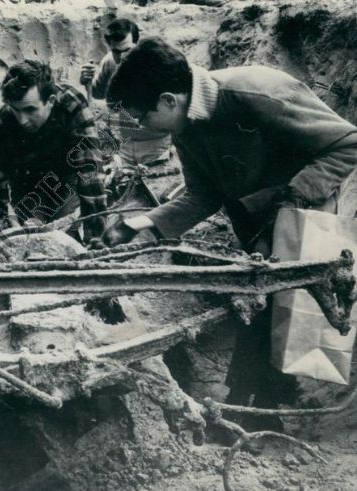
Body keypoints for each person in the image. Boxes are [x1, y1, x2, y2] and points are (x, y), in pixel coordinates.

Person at [101, 37, 357, 426]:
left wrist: (294, 197)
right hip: (256, 218)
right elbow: (203, 194)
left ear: (168, 100)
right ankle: (256, 402)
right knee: (261, 303)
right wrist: (145, 222)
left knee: (274, 306)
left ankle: (257, 410)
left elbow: (348, 143)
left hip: (303, 212)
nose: (139, 126)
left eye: (140, 116)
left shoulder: (255, 92)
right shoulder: (185, 125)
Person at [0, 60, 108, 242]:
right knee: (28, 237)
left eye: (30, 110)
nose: (22, 120)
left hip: (66, 178)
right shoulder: (4, 122)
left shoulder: (72, 106)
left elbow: (90, 173)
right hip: (26, 182)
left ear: (51, 102)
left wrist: (97, 236)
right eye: (16, 110)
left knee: (63, 237)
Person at [79, 18, 172, 167]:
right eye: (116, 51)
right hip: (125, 146)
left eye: (127, 50)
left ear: (137, 44)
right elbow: (98, 93)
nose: (122, 57)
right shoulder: (110, 62)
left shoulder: (157, 63)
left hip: (155, 145)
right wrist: (86, 81)